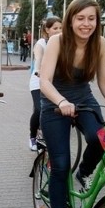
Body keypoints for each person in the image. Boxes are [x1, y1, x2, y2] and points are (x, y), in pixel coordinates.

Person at [39, 0, 105, 208]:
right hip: (55, 102)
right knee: (61, 165)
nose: (86, 24)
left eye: (91, 18)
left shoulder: (100, 44)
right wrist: (61, 100)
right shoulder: (57, 41)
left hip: (84, 99)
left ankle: (85, 172)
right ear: (70, 19)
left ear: (97, 21)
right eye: (80, 18)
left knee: (101, 138)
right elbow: (44, 81)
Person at [28, 16, 62, 151]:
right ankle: (32, 137)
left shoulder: (64, 43)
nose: (58, 31)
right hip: (39, 81)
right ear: (47, 30)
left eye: (60, 28)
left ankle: (47, 136)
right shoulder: (41, 43)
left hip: (56, 82)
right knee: (39, 108)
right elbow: (38, 56)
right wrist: (38, 69)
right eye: (55, 28)